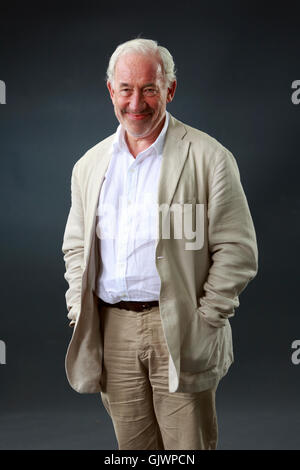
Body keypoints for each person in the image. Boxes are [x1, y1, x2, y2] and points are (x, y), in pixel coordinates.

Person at [62, 38, 258, 450]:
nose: (137, 102)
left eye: (149, 88)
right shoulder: (90, 165)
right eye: (126, 89)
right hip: (112, 329)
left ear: (169, 90)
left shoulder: (209, 157)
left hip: (181, 328)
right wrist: (80, 310)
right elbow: (77, 247)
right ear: (111, 90)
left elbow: (237, 251)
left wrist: (207, 319)